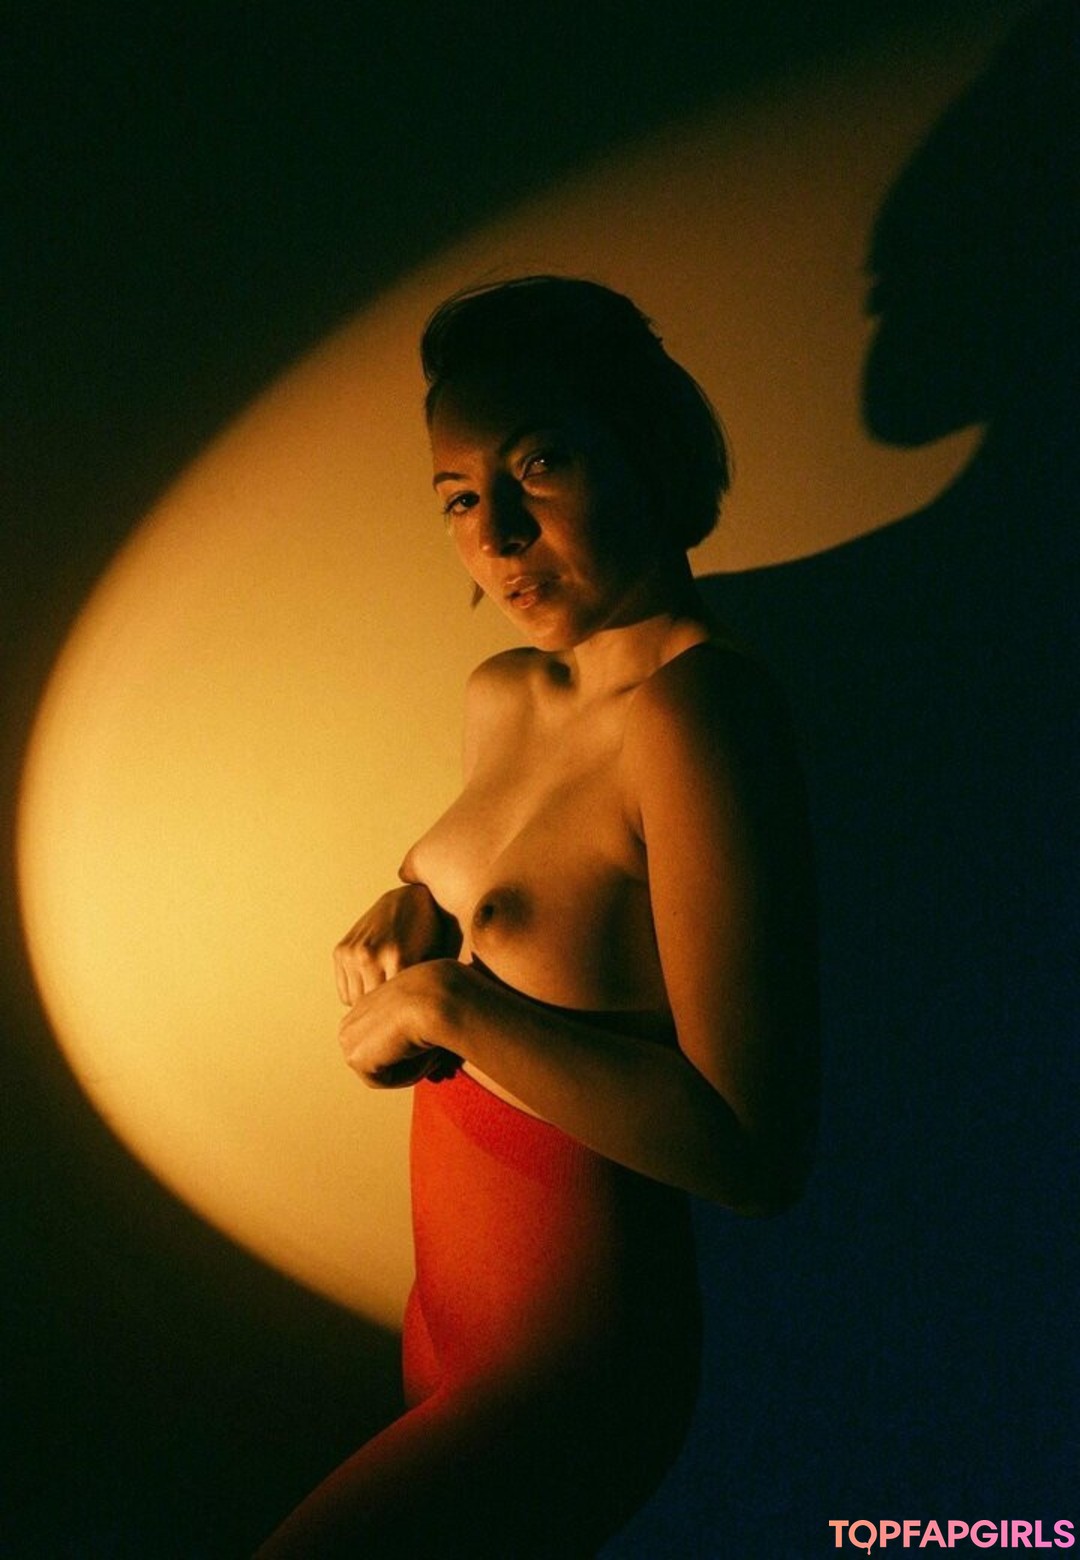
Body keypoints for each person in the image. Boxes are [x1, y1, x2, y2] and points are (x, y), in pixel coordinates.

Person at [257, 276, 819, 1558]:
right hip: (440, 1328)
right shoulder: (503, 693)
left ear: (647, 449)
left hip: (573, 1376)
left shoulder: (701, 717)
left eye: (541, 465)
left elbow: (756, 1152)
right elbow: (526, 888)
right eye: (460, 498)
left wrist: (448, 1003)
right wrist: (408, 899)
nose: (500, 535)